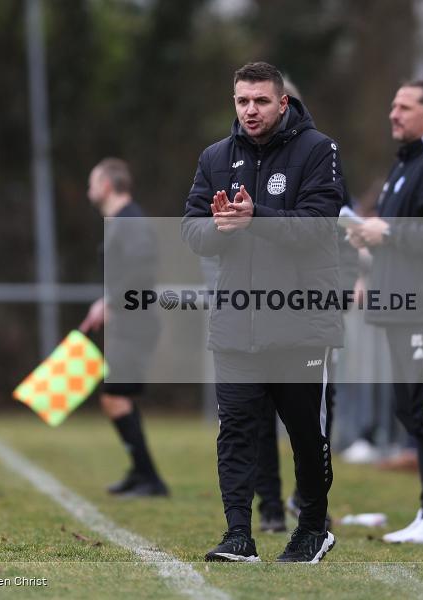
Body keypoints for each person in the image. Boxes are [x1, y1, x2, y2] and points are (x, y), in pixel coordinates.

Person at [182, 61, 344, 563]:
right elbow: (191, 229)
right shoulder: (215, 157)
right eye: (241, 101)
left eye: (259, 101)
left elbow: (320, 226)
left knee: (303, 433)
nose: (250, 110)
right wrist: (220, 229)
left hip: (299, 322)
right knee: (236, 430)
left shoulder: (319, 150)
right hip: (235, 323)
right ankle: (238, 534)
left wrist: (257, 219)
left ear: (282, 102)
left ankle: (313, 528)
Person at [349, 70, 423, 544]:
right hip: (403, 309)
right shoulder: (405, 165)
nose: (392, 114)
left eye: (403, 107)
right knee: (412, 410)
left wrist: (387, 232)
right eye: (393, 106)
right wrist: (369, 236)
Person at [79, 158, 168, 498]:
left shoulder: (129, 220)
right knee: (116, 399)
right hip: (128, 323)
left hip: (137, 324)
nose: (89, 190)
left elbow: (143, 269)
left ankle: (150, 479)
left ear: (105, 186)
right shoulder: (119, 220)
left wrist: (110, 301)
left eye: (92, 182)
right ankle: (140, 472)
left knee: (115, 399)